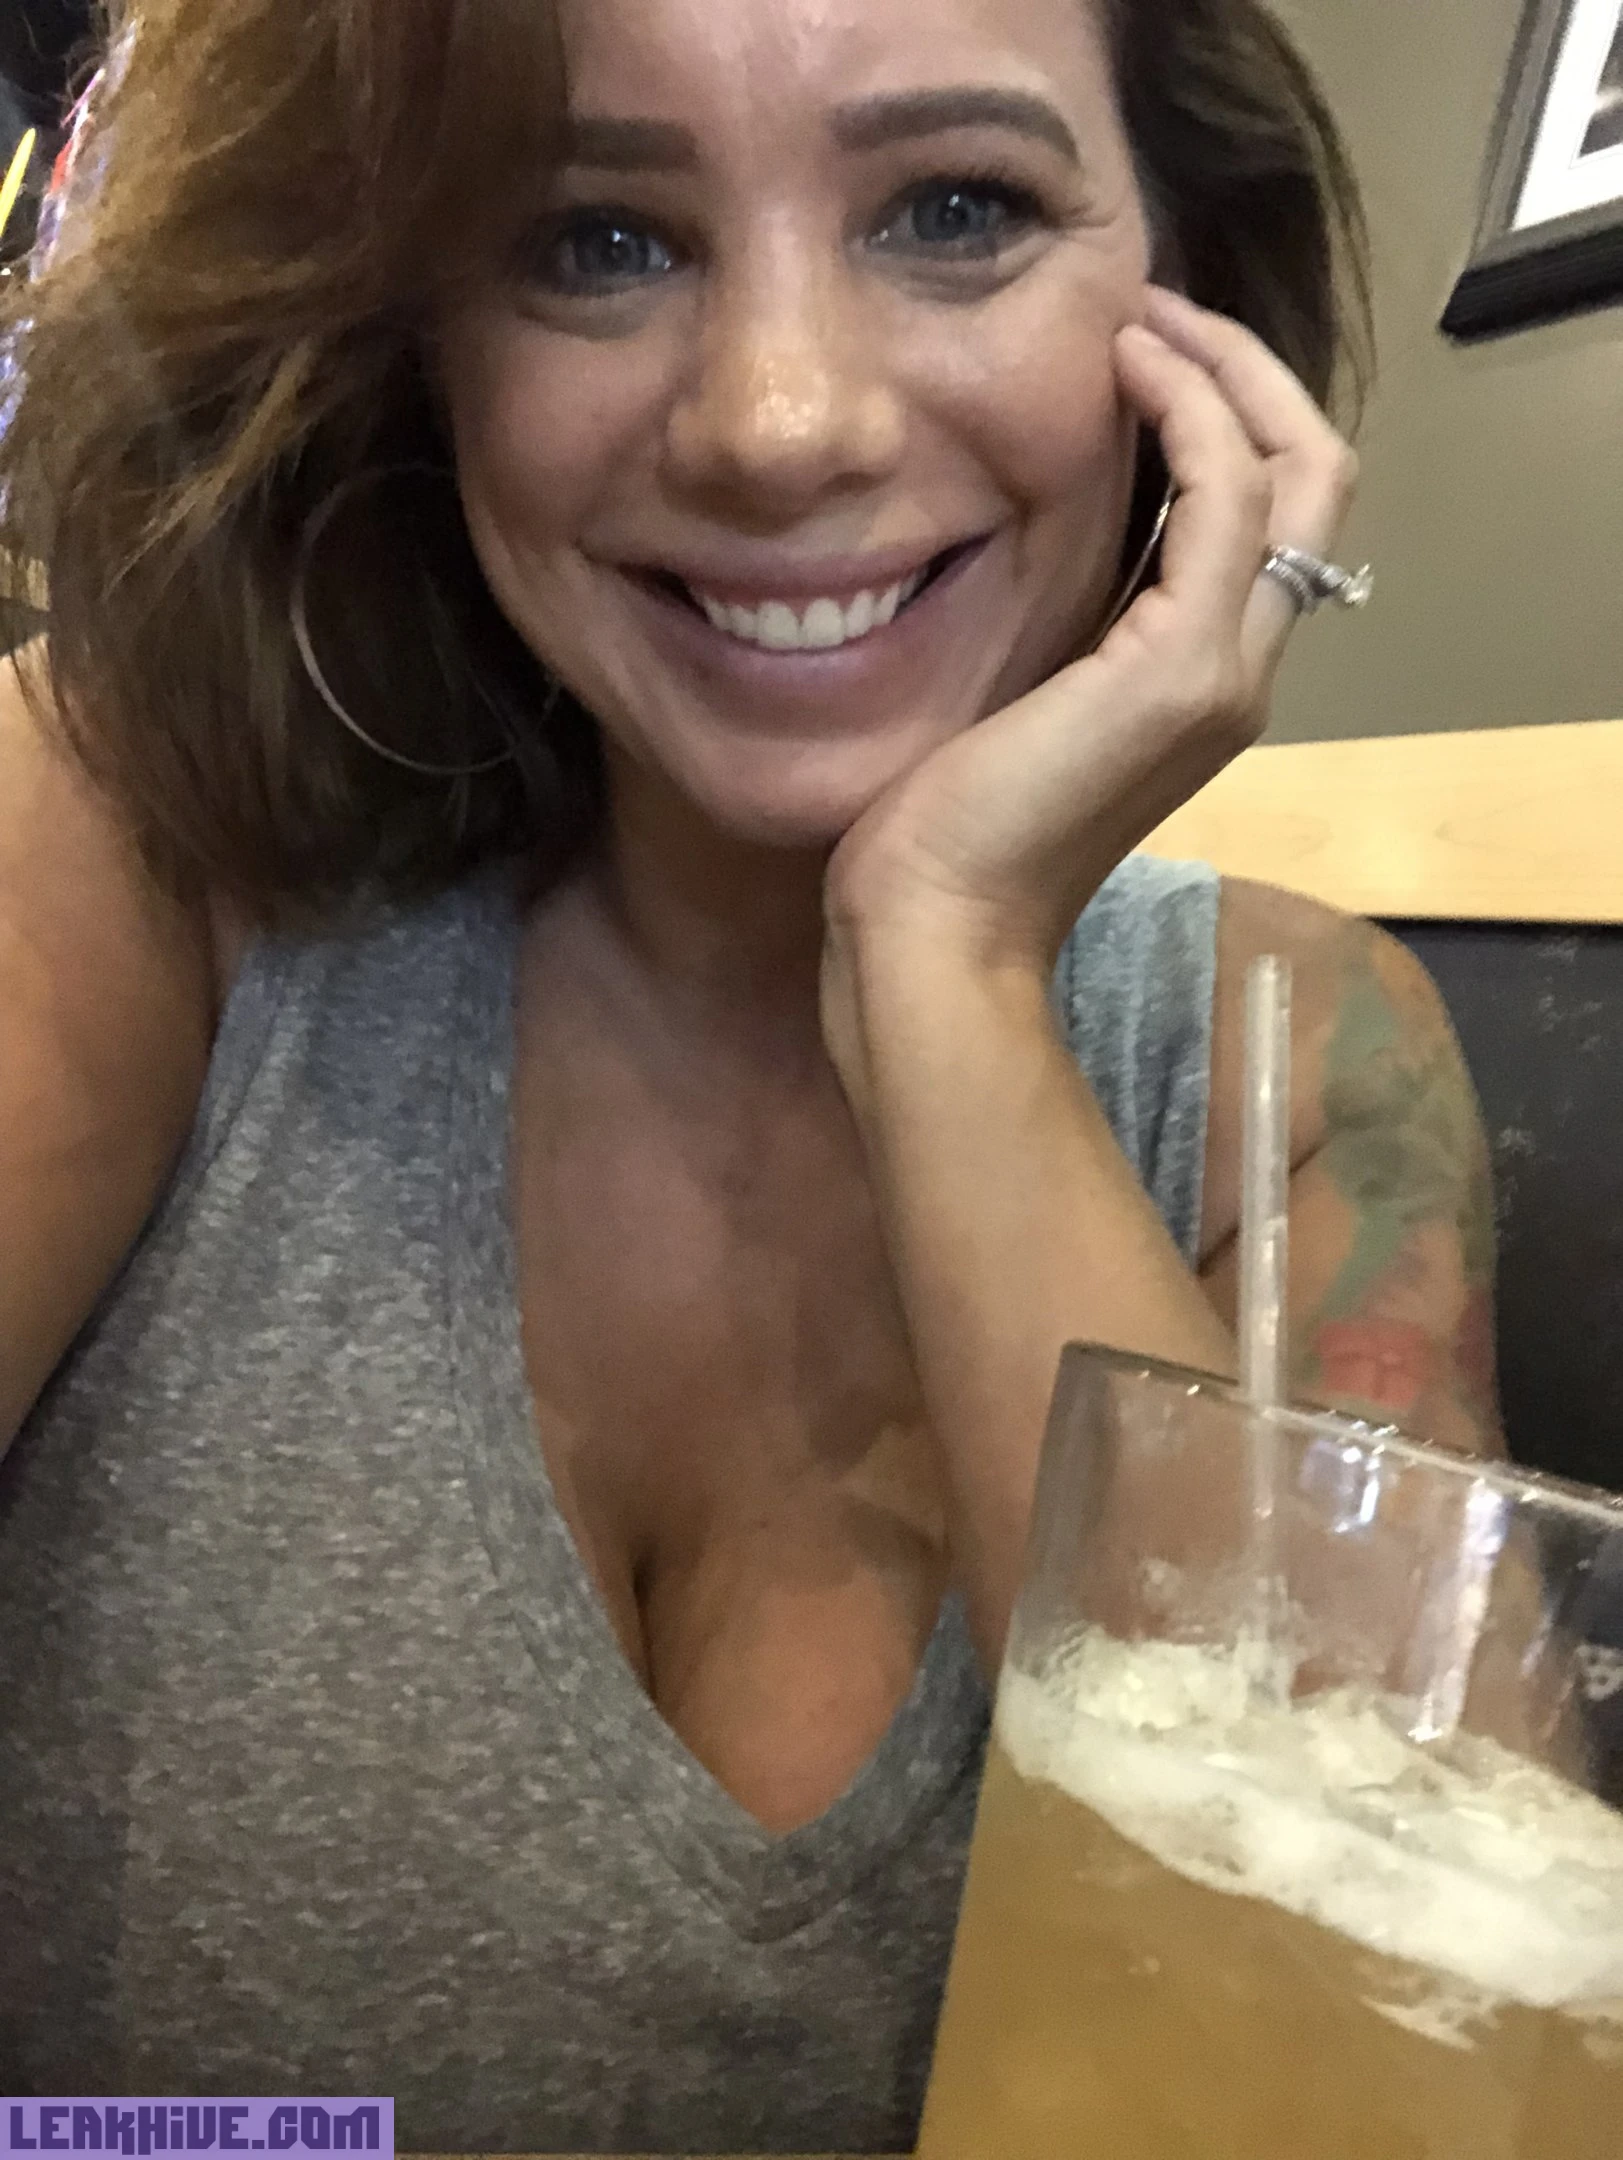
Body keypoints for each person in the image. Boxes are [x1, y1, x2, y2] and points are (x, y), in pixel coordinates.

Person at [0, 0, 1500, 2145]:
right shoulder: (114, 843)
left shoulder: (1307, 1057)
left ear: (1190, 291)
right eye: (595, 242)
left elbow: (1363, 2095)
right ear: (412, 341)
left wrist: (946, 960)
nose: (778, 422)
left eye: (956, 209)